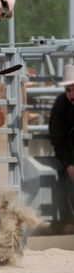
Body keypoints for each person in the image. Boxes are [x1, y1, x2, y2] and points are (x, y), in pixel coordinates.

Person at [48, 63, 74, 233]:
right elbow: (58, 139)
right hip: (70, 156)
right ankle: (66, 221)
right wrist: (69, 165)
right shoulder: (61, 105)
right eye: (68, 90)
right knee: (65, 182)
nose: (71, 94)